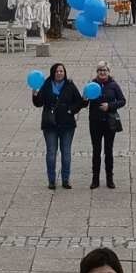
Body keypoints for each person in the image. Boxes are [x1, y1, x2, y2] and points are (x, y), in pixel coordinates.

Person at [32, 62, 85, 191]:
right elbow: (38, 103)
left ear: (64, 73)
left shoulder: (70, 85)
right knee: (51, 153)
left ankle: (65, 180)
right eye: (57, 71)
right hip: (50, 125)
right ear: (53, 73)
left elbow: (79, 102)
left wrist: (71, 110)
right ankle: (51, 180)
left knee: (66, 153)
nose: (59, 73)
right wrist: (35, 94)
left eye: (61, 71)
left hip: (67, 125)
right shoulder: (46, 84)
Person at [87, 61, 126, 190]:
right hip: (95, 122)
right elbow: (85, 101)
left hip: (110, 122)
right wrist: (85, 97)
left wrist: (109, 106)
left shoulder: (113, 85)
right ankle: (95, 179)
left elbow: (122, 101)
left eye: (104, 70)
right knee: (96, 150)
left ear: (108, 71)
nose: (102, 72)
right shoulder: (92, 84)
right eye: (100, 70)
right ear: (97, 72)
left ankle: (110, 178)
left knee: (108, 150)